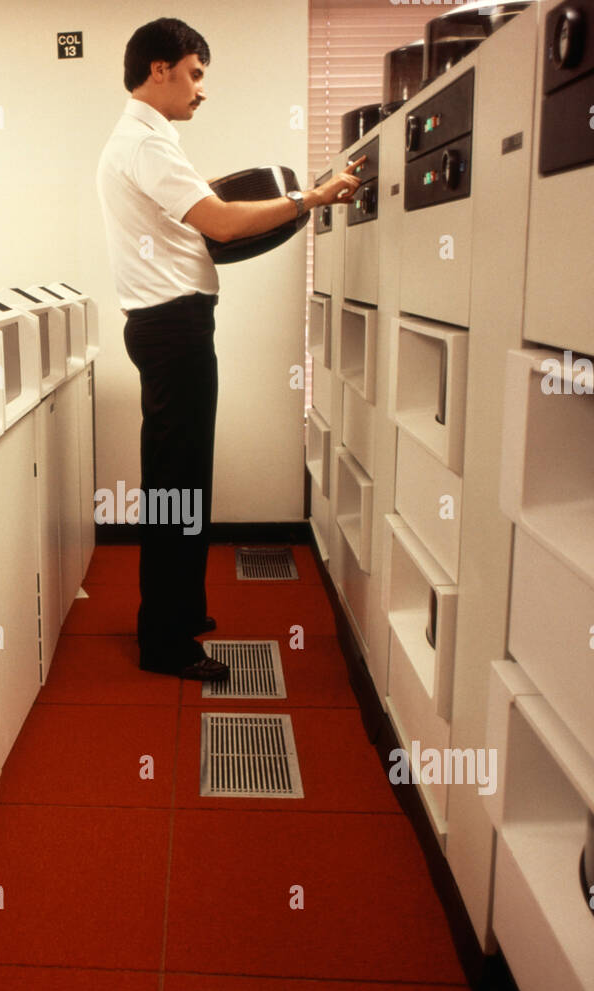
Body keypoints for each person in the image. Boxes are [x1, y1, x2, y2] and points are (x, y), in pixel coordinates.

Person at [96, 16, 364, 681]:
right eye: (193, 74)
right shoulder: (145, 144)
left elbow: (202, 223)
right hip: (171, 329)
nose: (200, 90)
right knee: (176, 486)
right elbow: (217, 220)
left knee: (181, 481)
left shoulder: (146, 140)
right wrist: (312, 199)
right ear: (159, 70)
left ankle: (179, 610)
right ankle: (164, 641)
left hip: (169, 326)